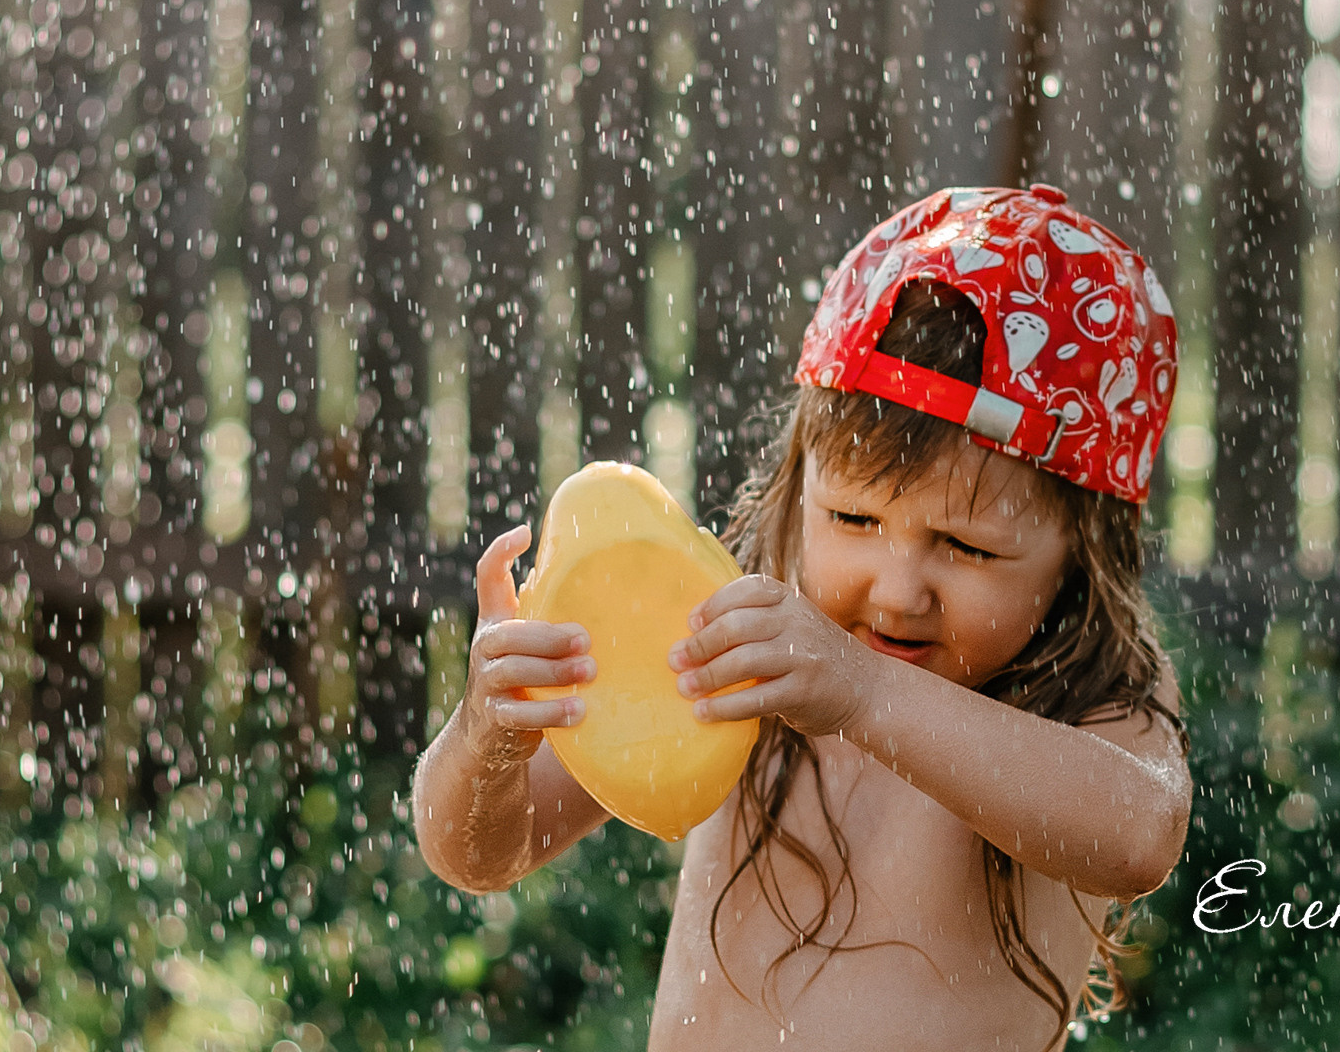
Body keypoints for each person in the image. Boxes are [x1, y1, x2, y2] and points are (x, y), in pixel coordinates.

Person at [412, 185, 1192, 1052]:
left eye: (964, 547)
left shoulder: (1082, 689)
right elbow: (482, 855)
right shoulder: (732, 636)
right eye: (854, 521)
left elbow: (1141, 834)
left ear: (1085, 548)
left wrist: (863, 693)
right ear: (798, 485)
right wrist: (487, 738)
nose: (898, 592)